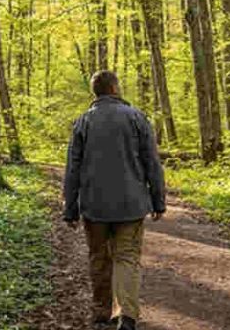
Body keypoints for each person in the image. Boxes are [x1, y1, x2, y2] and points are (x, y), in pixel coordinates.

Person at [63, 70, 166, 330]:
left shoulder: (83, 121)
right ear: (114, 88)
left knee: (99, 257)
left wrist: (70, 208)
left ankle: (101, 313)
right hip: (131, 205)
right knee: (127, 258)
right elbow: (152, 162)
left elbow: (72, 168)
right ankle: (126, 315)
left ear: (96, 91)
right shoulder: (136, 117)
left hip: (94, 205)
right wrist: (158, 200)